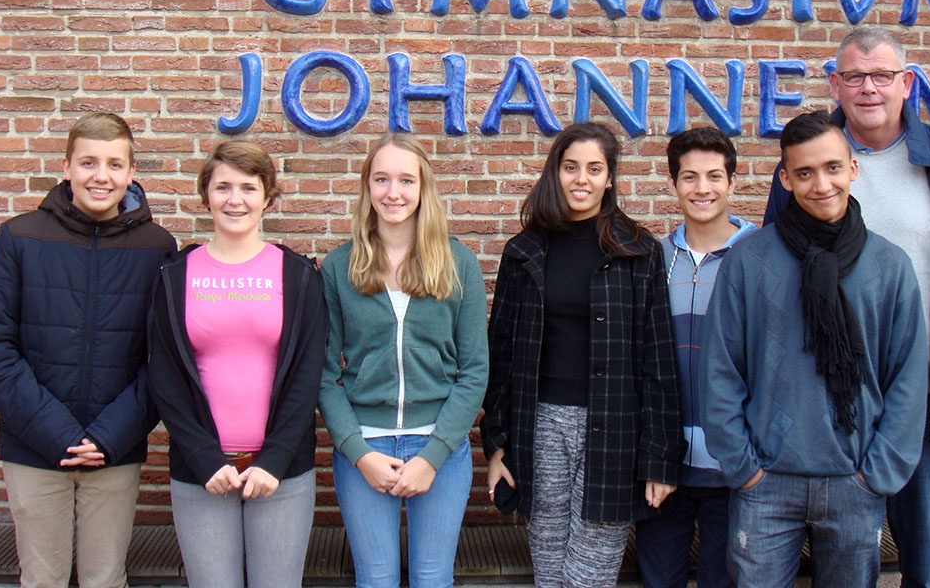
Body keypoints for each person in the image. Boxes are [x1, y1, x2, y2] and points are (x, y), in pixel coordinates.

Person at [763, 27, 930, 587]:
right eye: (855, 76)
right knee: (843, 560)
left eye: (882, 75)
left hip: (926, 390)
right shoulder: (809, 159)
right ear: (835, 84)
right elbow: (777, 277)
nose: (869, 88)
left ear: (906, 83)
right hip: (830, 391)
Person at [702, 110, 927, 586]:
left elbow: (907, 376)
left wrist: (877, 474)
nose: (821, 184)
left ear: (853, 168)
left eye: (832, 168)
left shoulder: (890, 266)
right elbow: (720, 368)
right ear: (785, 179)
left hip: (856, 482)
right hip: (765, 484)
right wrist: (743, 467)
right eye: (804, 173)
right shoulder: (748, 261)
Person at [480, 121, 684, 588]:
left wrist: (660, 458)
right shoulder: (523, 252)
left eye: (594, 169)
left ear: (609, 178)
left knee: (588, 576)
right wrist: (497, 445)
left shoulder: (638, 251)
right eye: (571, 167)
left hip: (614, 431)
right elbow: (501, 355)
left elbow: (658, 362)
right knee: (550, 572)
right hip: (540, 428)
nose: (581, 179)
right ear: (555, 172)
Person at [0, 112, 176, 588]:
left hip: (114, 448)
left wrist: (109, 437)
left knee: (105, 579)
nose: (101, 176)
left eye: (115, 164)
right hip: (34, 447)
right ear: (66, 167)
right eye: (88, 162)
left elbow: (163, 359)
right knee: (43, 579)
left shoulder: (157, 247)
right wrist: (58, 434)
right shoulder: (19, 238)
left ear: (131, 172)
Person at [146, 141, 327, 588]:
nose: (235, 199)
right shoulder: (174, 277)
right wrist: (203, 458)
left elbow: (307, 375)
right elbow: (164, 376)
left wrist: (275, 459)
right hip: (202, 472)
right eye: (223, 187)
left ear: (267, 197)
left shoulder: (298, 276)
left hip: (280, 473)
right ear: (205, 194)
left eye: (248, 188)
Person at [318, 133, 488, 587]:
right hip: (365, 448)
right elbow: (324, 375)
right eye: (381, 179)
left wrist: (432, 456)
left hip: (439, 448)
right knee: (375, 579)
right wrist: (359, 453)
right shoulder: (339, 267)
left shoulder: (458, 264)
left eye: (406, 180)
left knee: (432, 579)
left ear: (423, 187)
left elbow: (474, 371)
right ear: (367, 187)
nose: (393, 192)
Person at [635, 127, 755, 588]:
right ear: (673, 184)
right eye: (689, 177)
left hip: (737, 467)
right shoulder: (654, 259)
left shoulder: (761, 255)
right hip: (667, 466)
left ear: (732, 182)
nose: (702, 189)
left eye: (714, 176)